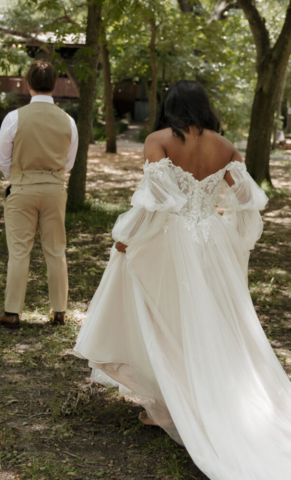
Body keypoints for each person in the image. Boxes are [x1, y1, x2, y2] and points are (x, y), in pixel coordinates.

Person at [73, 79, 291, 479]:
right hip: (211, 241)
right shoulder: (224, 146)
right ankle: (195, 395)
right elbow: (248, 200)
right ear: (204, 107)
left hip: (172, 241)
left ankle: (173, 402)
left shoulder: (158, 140)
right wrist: (233, 237)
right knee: (209, 320)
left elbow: (153, 198)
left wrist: (126, 237)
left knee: (167, 316)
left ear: (170, 107)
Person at [0, 60, 78, 329]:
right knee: (56, 250)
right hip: (54, 189)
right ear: (54, 85)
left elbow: (2, 159)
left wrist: (17, 176)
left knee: (19, 252)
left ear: (28, 84)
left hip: (22, 187)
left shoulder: (14, 117)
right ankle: (60, 311)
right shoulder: (68, 121)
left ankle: (12, 312)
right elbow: (69, 162)